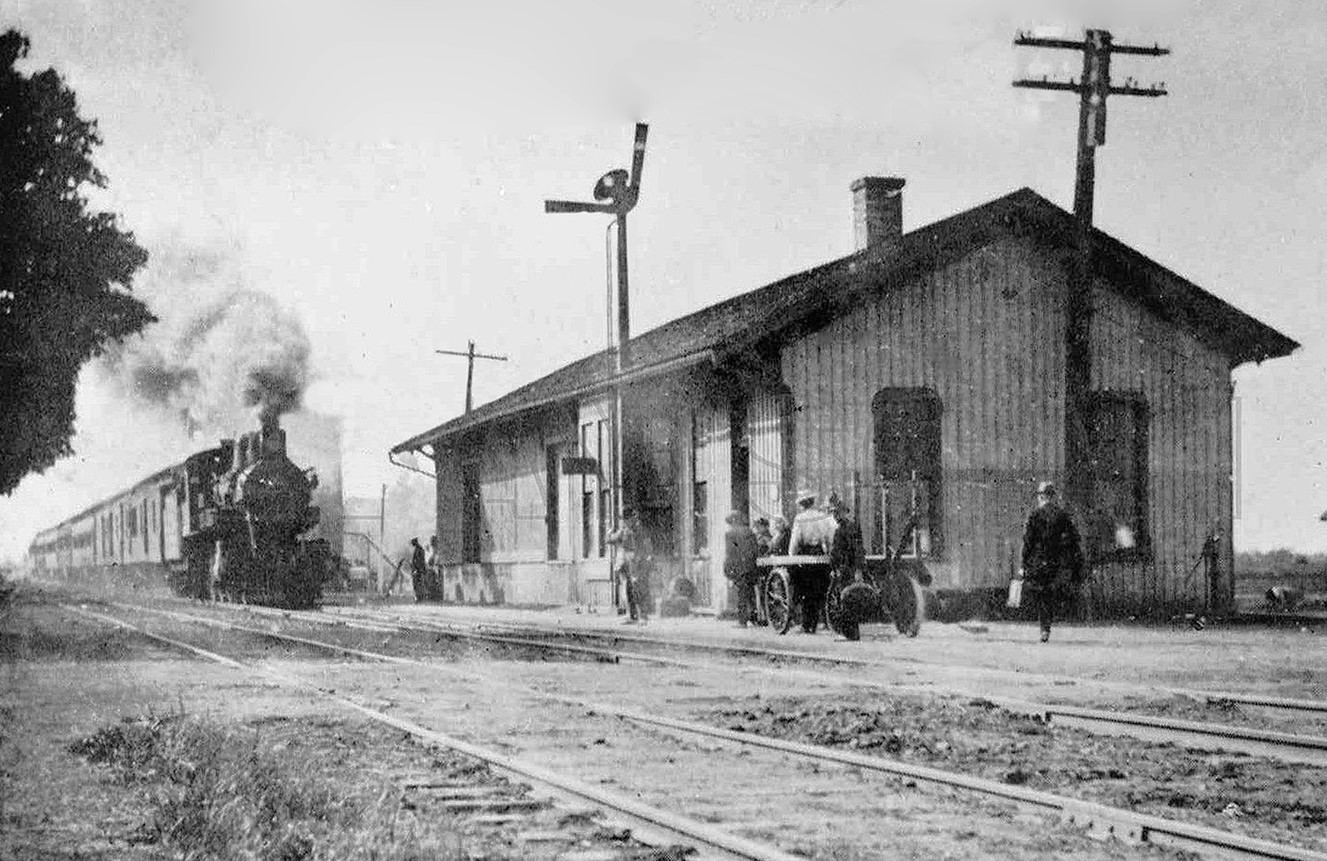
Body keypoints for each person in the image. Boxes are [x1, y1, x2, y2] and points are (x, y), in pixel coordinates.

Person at [1020, 481, 1084, 643]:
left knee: (1041, 594)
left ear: (1041, 497)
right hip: (1055, 559)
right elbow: (1074, 537)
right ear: (1053, 496)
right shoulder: (1061, 515)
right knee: (1050, 593)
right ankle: (1047, 626)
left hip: (1038, 559)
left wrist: (1025, 561)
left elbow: (1028, 541)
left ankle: (1044, 628)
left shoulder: (1035, 515)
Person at [787, 490, 838, 633]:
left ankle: (807, 624)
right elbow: (830, 536)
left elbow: (795, 540)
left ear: (802, 504)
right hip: (820, 554)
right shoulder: (823, 517)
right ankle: (816, 622)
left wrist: (792, 555)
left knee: (805, 589)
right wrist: (828, 552)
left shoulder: (800, 518)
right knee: (819, 589)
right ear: (813, 502)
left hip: (805, 554)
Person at [607, 510, 651, 623]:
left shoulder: (639, 531)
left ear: (632, 518)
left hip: (637, 564)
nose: (625, 522)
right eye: (624, 520)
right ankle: (632, 616)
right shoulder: (624, 531)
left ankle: (642, 616)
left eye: (627, 519)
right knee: (628, 591)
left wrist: (644, 557)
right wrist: (609, 531)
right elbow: (610, 539)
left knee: (638, 589)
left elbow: (647, 546)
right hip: (627, 565)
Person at [723, 511, 760, 627]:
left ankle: (742, 621)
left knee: (741, 595)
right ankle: (754, 618)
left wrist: (728, 568)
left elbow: (730, 553)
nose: (729, 525)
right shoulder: (750, 532)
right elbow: (755, 550)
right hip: (751, 566)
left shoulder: (730, 534)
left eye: (730, 523)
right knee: (751, 593)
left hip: (739, 567)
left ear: (733, 521)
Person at [409, 537, 428, 603]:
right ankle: (419, 598)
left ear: (415, 542)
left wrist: (415, 569)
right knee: (417, 585)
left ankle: (419, 598)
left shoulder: (419, 550)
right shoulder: (419, 549)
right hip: (419, 570)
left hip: (418, 570)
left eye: (412, 542)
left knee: (417, 585)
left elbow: (419, 561)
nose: (412, 544)